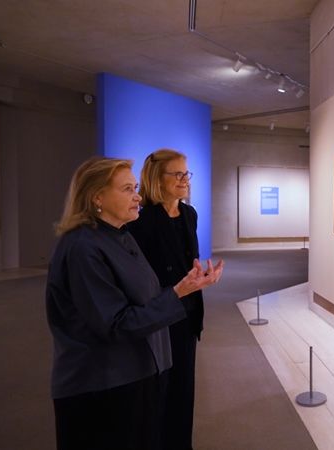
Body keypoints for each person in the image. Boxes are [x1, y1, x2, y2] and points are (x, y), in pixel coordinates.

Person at [45, 156, 223, 450]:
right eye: (127, 189)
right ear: (97, 197)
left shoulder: (119, 237)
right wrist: (178, 293)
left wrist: (185, 287)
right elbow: (116, 324)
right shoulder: (83, 248)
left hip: (135, 374)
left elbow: (144, 298)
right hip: (102, 386)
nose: (138, 196)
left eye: (136, 187)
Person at [128, 149, 214, 450]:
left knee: (183, 389)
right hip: (159, 315)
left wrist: (202, 277)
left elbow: (189, 261)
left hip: (188, 313)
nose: (184, 180)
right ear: (157, 179)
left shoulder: (189, 214)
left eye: (186, 174)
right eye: (176, 174)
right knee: (158, 393)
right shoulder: (141, 221)